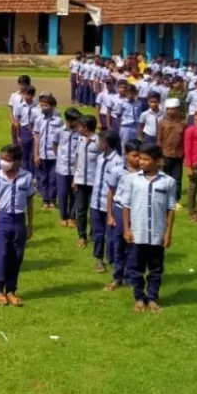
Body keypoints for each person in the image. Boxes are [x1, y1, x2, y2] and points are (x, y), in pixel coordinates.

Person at [120, 143, 177, 313]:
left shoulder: (168, 182)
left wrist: (168, 233)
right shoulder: (132, 180)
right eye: (140, 158)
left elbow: (171, 208)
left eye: (146, 159)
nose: (142, 162)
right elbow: (126, 205)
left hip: (157, 233)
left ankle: (152, 298)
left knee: (156, 268)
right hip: (138, 232)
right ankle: (139, 297)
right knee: (136, 268)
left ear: (157, 161)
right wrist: (126, 229)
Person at [0, 144, 33, 307]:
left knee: (17, 256)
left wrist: (30, 225)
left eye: (7, 159)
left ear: (17, 161)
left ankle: (11, 290)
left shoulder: (27, 177)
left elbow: (29, 201)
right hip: (2, 219)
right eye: (2, 158)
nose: (3, 162)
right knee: (1, 255)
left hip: (19, 220)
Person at [106, 139, 141, 291]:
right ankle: (117, 277)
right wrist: (110, 215)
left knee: (134, 245)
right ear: (126, 155)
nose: (138, 159)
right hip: (120, 210)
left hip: (137, 211)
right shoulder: (117, 171)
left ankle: (131, 276)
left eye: (140, 156)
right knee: (118, 244)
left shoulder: (144, 173)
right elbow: (110, 193)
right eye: (134, 155)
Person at [90, 130, 123, 273]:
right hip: (95, 202)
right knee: (97, 233)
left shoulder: (118, 162)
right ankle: (99, 258)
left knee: (110, 235)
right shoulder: (100, 158)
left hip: (108, 204)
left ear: (106, 144)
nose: (98, 143)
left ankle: (113, 259)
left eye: (100, 141)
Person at [72, 115, 100, 249]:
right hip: (81, 180)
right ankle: (82, 236)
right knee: (81, 210)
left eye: (79, 126)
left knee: (94, 210)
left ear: (86, 128)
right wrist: (75, 178)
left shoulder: (99, 141)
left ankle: (94, 235)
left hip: (94, 181)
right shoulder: (80, 140)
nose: (77, 128)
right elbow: (77, 158)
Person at [54, 107, 82, 228]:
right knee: (63, 193)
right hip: (62, 168)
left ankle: (72, 217)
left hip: (76, 168)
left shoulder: (80, 133)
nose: (78, 122)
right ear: (69, 120)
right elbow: (55, 145)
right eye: (76, 120)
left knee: (75, 193)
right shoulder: (60, 131)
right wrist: (60, 157)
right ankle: (63, 216)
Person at [33, 93, 61, 210]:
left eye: (46, 105)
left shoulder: (58, 121)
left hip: (54, 155)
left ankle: (53, 201)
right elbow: (37, 137)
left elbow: (60, 138)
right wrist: (36, 154)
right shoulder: (39, 120)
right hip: (42, 154)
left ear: (52, 106)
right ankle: (45, 200)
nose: (44, 107)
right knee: (43, 178)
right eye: (42, 105)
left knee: (53, 178)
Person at [13, 86, 37, 173]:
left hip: (34, 130)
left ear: (33, 95)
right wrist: (18, 135)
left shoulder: (37, 107)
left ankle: (33, 174)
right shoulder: (20, 107)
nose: (27, 97)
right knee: (24, 154)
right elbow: (18, 121)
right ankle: (24, 172)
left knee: (33, 153)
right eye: (25, 95)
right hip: (24, 130)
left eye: (29, 95)